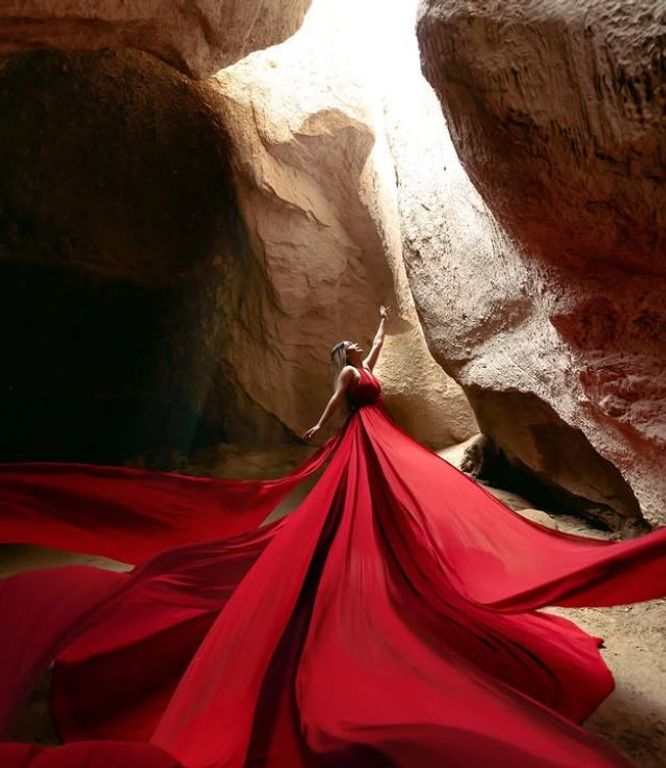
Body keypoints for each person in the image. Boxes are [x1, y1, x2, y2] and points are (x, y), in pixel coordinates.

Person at [0, 305, 666, 768]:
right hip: (360, 445)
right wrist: (319, 429)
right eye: (351, 353)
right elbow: (335, 400)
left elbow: (375, 352)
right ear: (342, 361)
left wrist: (378, 326)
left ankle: (384, 562)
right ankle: (359, 570)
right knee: (354, 512)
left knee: (399, 506)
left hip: (385, 445)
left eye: (356, 351)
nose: (356, 355)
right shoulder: (348, 380)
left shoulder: (363, 361)